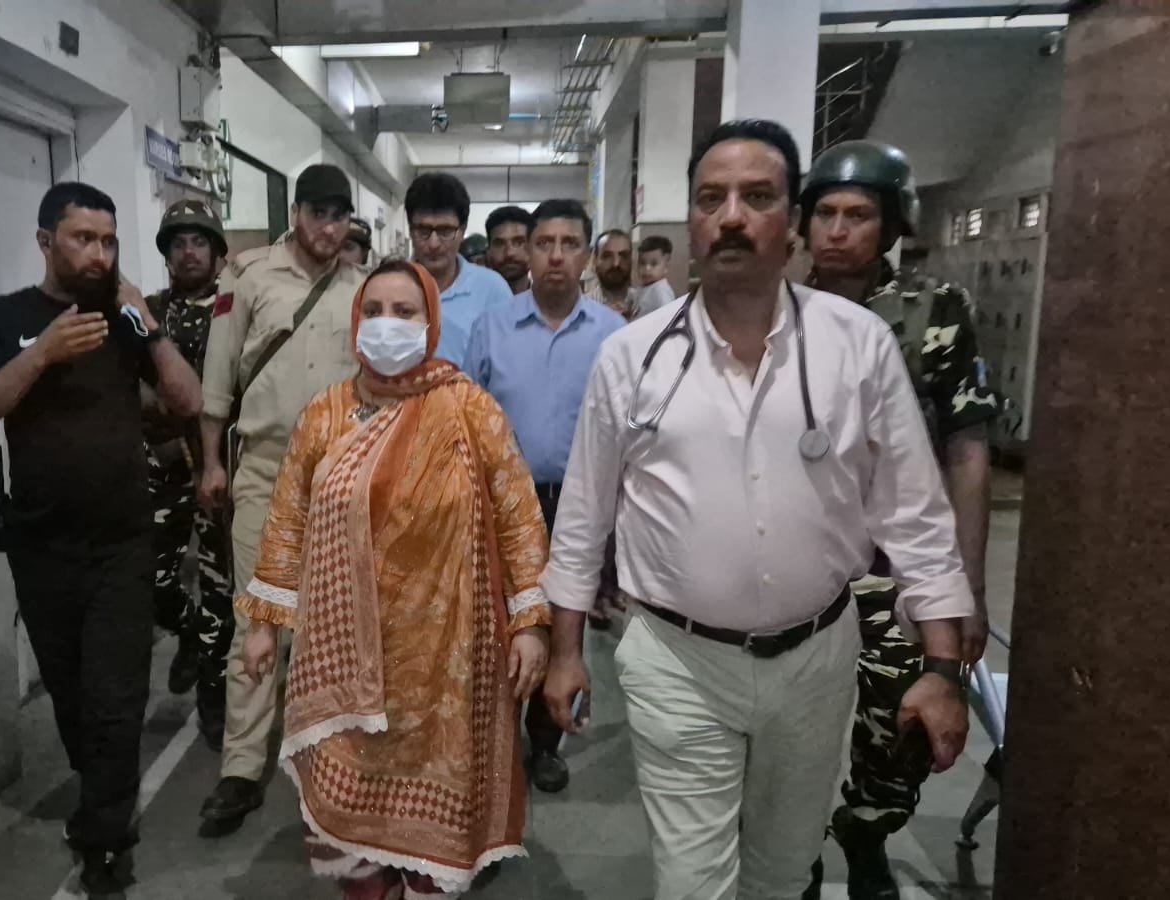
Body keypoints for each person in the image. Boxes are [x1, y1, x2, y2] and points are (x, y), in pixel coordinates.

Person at [541, 120, 974, 900]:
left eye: (757, 197)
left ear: (792, 220)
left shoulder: (856, 345)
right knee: (693, 882)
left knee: (783, 870)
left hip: (816, 658)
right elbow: (583, 517)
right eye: (712, 199)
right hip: (677, 658)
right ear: (692, 221)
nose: (732, 217)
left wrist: (942, 667)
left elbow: (913, 511)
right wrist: (566, 651)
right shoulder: (633, 356)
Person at [237, 259, 552, 898]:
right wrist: (264, 625)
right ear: (356, 321)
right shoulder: (325, 413)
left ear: (430, 322)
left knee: (433, 828)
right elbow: (289, 519)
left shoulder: (470, 409)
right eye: (374, 311)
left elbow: (519, 517)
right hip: (344, 657)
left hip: (447, 662)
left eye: (404, 312)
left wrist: (530, 623)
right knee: (351, 813)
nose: (387, 324)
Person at [0, 182, 202, 895]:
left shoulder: (123, 321)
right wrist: (42, 354)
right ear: (45, 242)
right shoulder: (3, 319)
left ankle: (106, 842)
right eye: (83, 238)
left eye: (108, 241)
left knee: (116, 700)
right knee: (71, 697)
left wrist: (149, 326)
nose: (98, 254)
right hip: (42, 547)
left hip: (123, 541)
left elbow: (187, 401)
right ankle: (99, 801)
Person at [798, 139, 999, 900]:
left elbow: (968, 450)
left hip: (899, 566)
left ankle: (867, 830)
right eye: (825, 213)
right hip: (805, 565)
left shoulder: (934, 311)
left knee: (898, 728)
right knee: (790, 729)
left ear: (890, 226)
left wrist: (968, 585)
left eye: (858, 215)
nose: (837, 231)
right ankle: (796, 853)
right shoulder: (776, 310)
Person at [195, 164, 369, 838]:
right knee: (257, 620)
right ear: (296, 213)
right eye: (318, 213)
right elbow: (218, 378)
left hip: (340, 479)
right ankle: (241, 768)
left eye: (340, 216)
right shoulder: (248, 276)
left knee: (331, 628)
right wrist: (212, 461)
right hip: (266, 473)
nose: (329, 227)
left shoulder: (360, 288)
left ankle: (325, 758)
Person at [463, 198, 627, 794]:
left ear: (586, 255)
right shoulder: (492, 328)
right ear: (528, 253)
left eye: (569, 244)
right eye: (544, 244)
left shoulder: (614, 336)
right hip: (505, 503)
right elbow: (466, 417)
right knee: (502, 622)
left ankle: (547, 742)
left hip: (582, 504)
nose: (556, 256)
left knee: (563, 624)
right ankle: (494, 741)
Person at [143, 199, 235, 751]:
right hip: (162, 469)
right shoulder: (150, 313)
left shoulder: (234, 308)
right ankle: (189, 632)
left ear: (217, 251)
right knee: (154, 583)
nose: (189, 252)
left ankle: (213, 699)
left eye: (199, 241)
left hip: (220, 467)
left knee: (220, 588)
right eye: (178, 243)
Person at [405, 173, 514, 367]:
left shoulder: (492, 290)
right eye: (423, 231)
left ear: (462, 231)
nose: (433, 244)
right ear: (411, 230)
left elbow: (508, 362)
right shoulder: (388, 286)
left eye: (445, 231)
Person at [486, 205, 534, 295]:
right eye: (499, 244)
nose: (509, 253)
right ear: (488, 252)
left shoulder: (549, 301)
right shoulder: (473, 301)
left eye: (519, 243)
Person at [591, 229, 639, 318]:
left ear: (631, 260)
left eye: (623, 256)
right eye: (607, 256)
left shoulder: (645, 305)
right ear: (595, 261)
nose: (616, 263)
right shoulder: (582, 308)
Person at [636, 235, 677, 317]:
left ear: (666, 267)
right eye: (642, 263)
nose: (647, 269)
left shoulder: (661, 291)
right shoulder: (644, 288)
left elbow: (668, 317)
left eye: (653, 264)